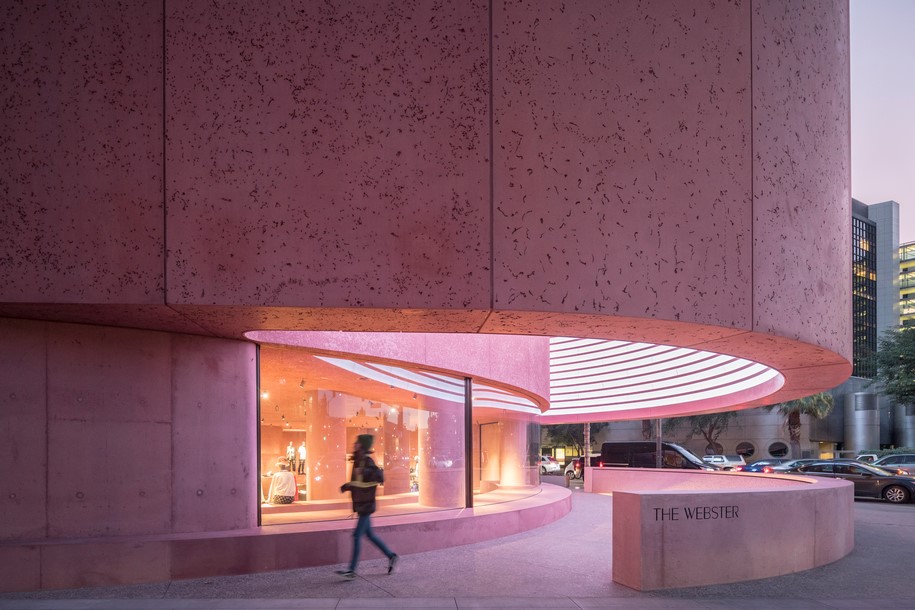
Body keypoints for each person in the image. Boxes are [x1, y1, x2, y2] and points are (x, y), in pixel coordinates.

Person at [336, 434, 398, 579]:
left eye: (357, 442)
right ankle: (391, 556)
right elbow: (360, 483)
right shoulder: (358, 460)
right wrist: (348, 486)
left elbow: (379, 476)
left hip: (366, 505)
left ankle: (351, 570)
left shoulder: (366, 460)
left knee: (357, 536)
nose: (354, 444)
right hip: (363, 504)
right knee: (369, 535)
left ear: (362, 445)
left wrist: (363, 472)